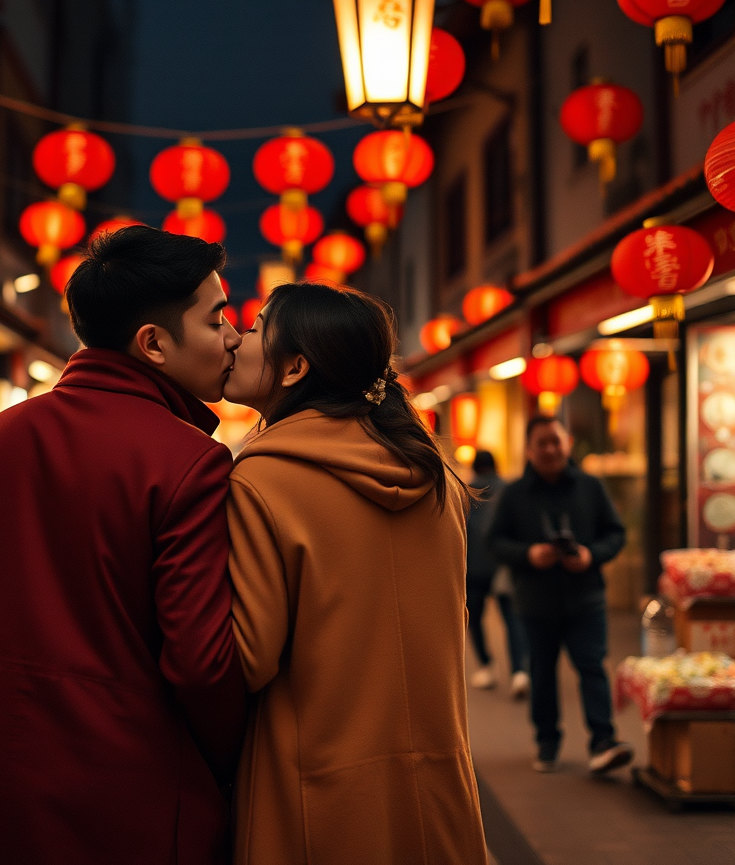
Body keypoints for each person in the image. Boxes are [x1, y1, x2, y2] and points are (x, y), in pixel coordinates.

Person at [0, 226, 247, 865]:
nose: (234, 336)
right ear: (154, 344)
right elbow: (200, 662)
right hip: (136, 806)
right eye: (218, 317)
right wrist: (222, 774)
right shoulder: (191, 462)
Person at [223, 283, 487, 865]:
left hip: (314, 795)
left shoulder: (262, 483)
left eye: (256, 326)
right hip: (436, 792)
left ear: (294, 367)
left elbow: (248, 656)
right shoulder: (432, 474)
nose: (235, 339)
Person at [487, 415, 631, 775]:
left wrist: (590, 556)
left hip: (586, 598)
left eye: (556, 441)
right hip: (536, 601)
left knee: (592, 666)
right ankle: (547, 743)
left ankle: (603, 742)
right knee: (543, 672)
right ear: (528, 449)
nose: (550, 449)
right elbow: (494, 541)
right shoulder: (514, 493)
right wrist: (528, 554)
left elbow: (615, 534)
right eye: (542, 443)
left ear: (567, 444)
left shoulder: (591, 487)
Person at [466, 449, 529, 697]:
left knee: (475, 619)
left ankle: (486, 667)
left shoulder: (465, 490)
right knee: (512, 620)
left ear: (475, 467)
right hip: (504, 565)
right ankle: (519, 672)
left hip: (473, 567)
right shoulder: (509, 489)